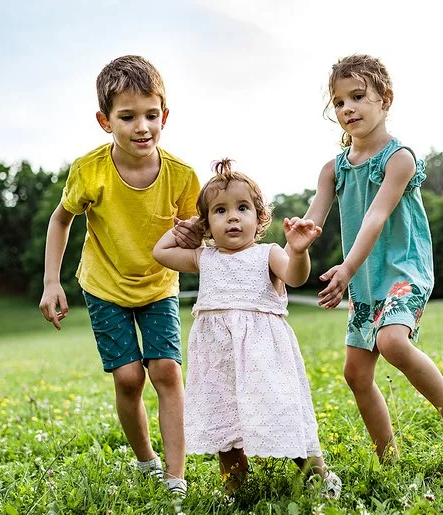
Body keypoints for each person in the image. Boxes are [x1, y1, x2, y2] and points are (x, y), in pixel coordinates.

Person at [292, 54, 443, 464]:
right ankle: (388, 460)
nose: (348, 109)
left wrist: (346, 268)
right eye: (339, 102)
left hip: (401, 270)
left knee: (392, 340)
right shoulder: (333, 169)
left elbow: (376, 217)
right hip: (364, 280)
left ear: (385, 99)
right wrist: (297, 238)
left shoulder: (399, 159)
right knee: (356, 374)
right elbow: (314, 219)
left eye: (358, 97)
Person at [38, 55, 200, 496]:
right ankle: (146, 460)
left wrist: (195, 244)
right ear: (105, 121)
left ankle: (175, 476)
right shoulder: (89, 171)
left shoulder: (183, 177)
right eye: (127, 117)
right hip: (104, 285)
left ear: (164, 115)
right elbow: (60, 220)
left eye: (151, 115)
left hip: (158, 284)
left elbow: (195, 237)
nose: (142, 126)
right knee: (129, 378)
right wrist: (52, 282)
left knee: (165, 369)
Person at [153, 159, 342, 498]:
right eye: (220, 211)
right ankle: (236, 489)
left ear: (259, 218)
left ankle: (317, 475)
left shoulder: (268, 254)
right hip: (218, 359)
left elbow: (296, 276)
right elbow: (160, 251)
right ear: (207, 223)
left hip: (264, 356)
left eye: (242, 208)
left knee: (281, 410)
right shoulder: (204, 258)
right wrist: (192, 229)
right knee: (225, 418)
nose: (233, 217)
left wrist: (298, 252)